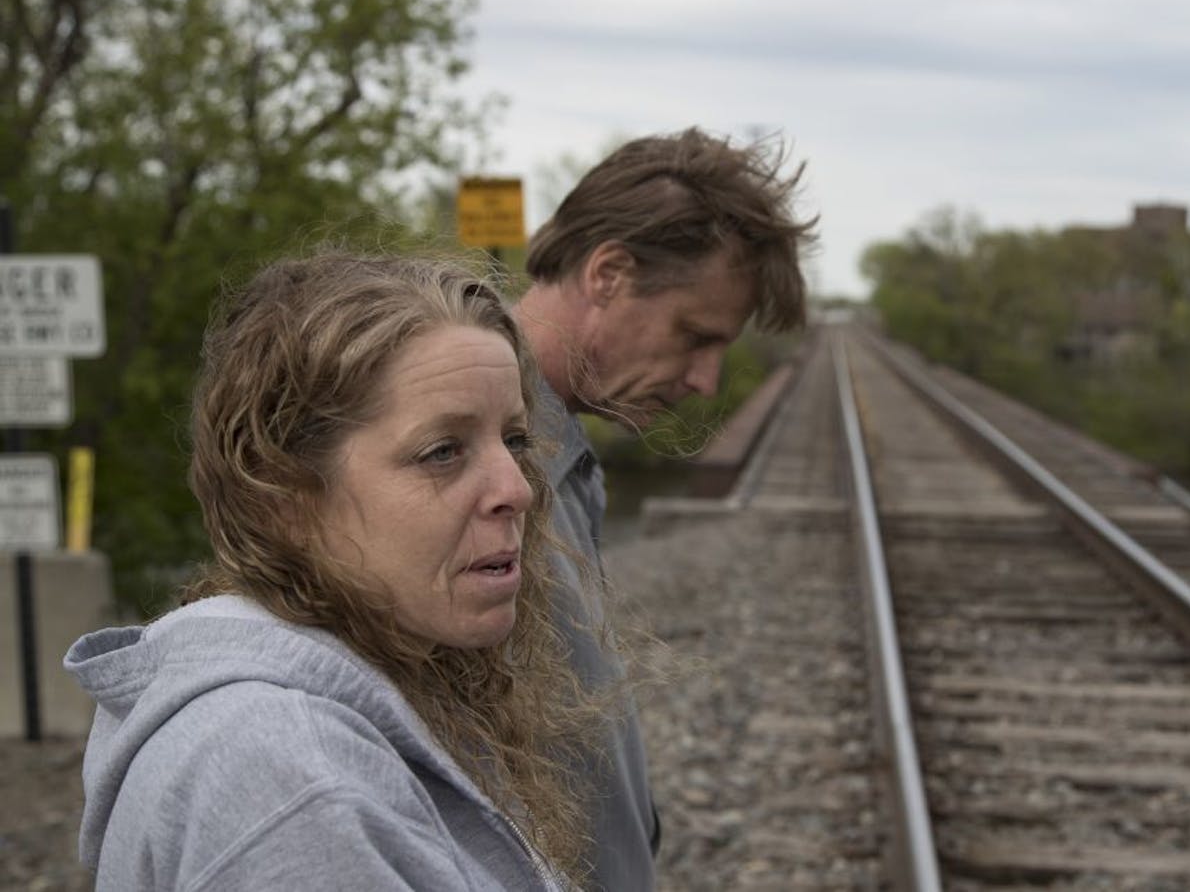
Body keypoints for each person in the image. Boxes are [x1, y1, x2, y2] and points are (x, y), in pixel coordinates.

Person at [65, 253, 607, 890]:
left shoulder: (367, 689)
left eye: (513, 440)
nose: (516, 489)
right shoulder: (289, 778)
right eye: (442, 452)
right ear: (286, 497)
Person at [513, 127, 818, 891]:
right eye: (694, 336)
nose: (706, 382)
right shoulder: (471, 463)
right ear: (609, 274)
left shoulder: (560, 457)